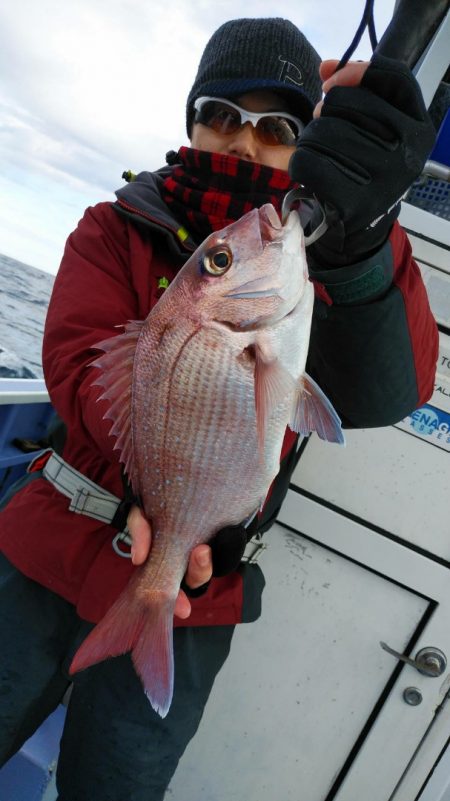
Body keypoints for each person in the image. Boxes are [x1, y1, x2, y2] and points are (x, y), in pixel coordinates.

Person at [0, 16, 438, 801]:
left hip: (196, 589)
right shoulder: (115, 225)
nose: (243, 141)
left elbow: (389, 392)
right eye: (222, 114)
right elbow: (75, 367)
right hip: (46, 547)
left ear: (304, 140)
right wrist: (157, 481)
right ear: (193, 120)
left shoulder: (319, 263)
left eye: (276, 126)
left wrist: (364, 246)